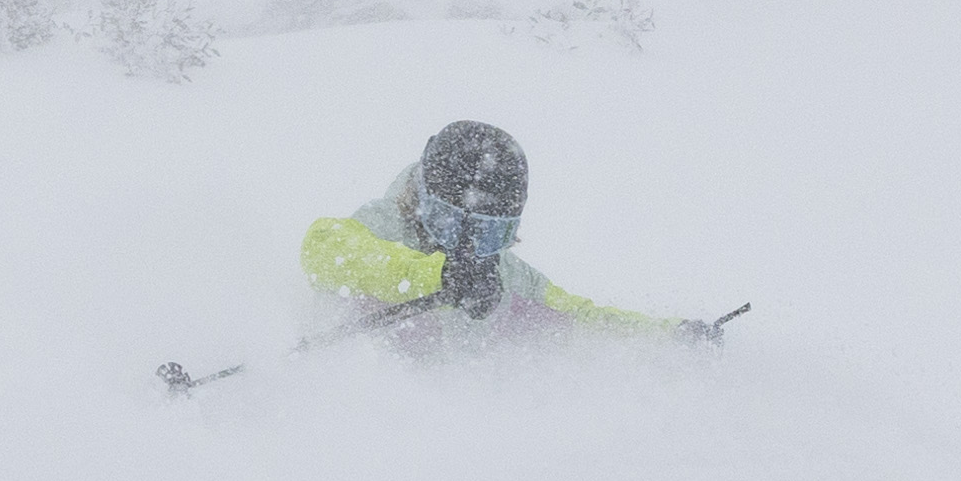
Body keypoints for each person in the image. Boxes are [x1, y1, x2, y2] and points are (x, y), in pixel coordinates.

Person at [302, 120, 727, 345]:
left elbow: (582, 319)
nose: (466, 246)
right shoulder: (381, 227)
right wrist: (437, 276)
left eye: (488, 234)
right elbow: (322, 249)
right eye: (452, 224)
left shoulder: (501, 277)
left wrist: (669, 336)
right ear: (421, 199)